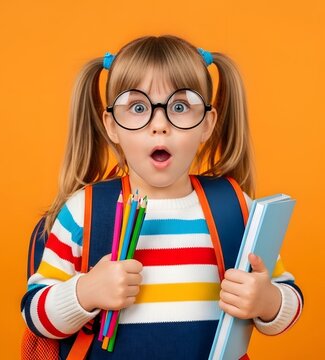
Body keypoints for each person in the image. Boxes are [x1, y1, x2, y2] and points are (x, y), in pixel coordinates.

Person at [20, 35, 304, 359]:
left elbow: (288, 297)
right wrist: (85, 293)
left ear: (207, 124)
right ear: (112, 126)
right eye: (138, 107)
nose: (159, 125)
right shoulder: (83, 211)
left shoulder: (235, 208)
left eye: (180, 107)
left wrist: (267, 301)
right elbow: (35, 315)